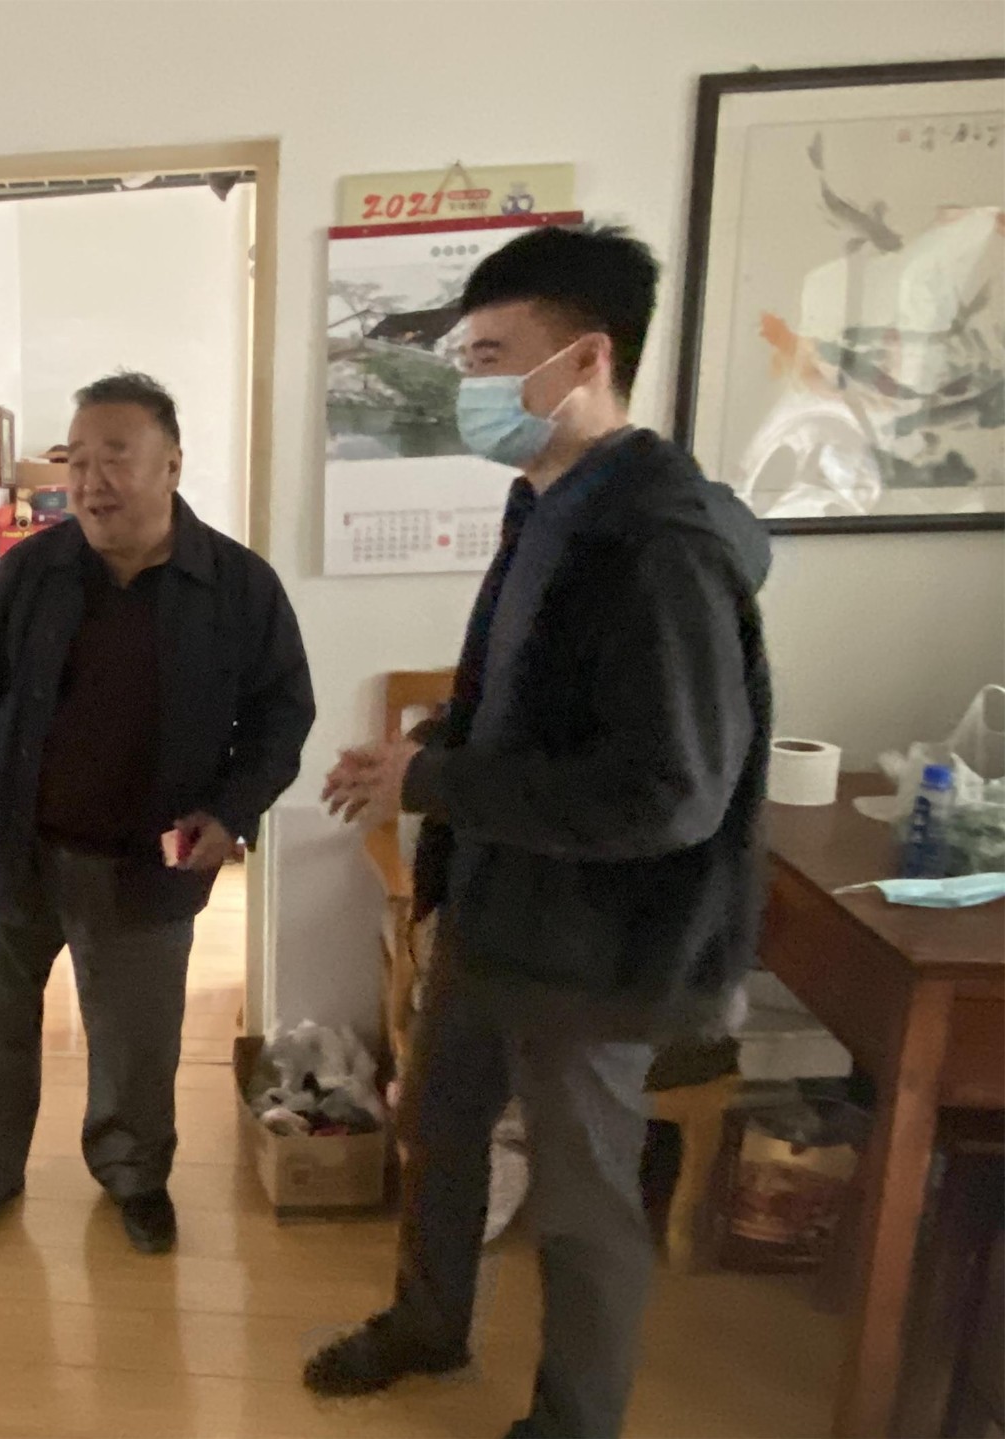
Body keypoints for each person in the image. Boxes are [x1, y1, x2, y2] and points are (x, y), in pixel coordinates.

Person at [307, 226, 773, 1438]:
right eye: (463, 357)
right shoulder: (547, 503)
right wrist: (422, 767)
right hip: (499, 907)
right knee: (440, 1128)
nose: (468, 387)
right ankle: (429, 1323)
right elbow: (521, 707)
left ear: (586, 360)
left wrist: (438, 780)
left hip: (597, 946)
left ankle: (574, 1419)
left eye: (490, 357)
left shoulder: (660, 544)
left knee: (580, 1199)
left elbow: (668, 792)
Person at [0, 372, 314, 1256]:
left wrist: (232, 811)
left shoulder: (238, 586)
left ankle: (134, 1176)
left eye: (115, 458)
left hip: (145, 864)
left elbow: (282, 715)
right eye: (77, 461)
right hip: (12, 846)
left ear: (171, 464)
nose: (90, 481)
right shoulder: (33, 568)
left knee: (136, 1044)